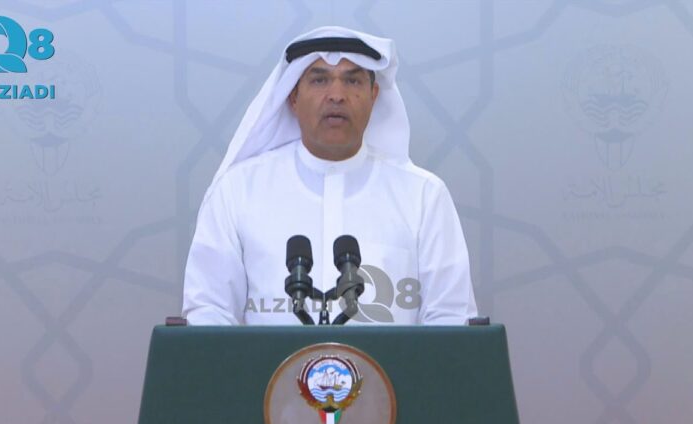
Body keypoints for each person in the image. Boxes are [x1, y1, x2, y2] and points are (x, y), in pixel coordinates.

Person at [182, 26, 477, 325]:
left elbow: (451, 318)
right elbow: (209, 314)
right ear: (293, 97)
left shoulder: (423, 196)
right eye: (320, 80)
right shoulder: (237, 191)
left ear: (374, 96)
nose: (337, 95)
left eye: (352, 80)